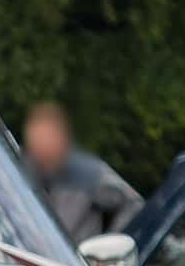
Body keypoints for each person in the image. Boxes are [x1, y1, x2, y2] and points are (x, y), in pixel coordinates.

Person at [19, 101, 139, 242]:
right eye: (35, 141)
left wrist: (106, 247)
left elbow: (133, 204)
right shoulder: (21, 169)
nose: (40, 148)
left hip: (71, 260)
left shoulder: (89, 174)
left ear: (61, 137)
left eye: (46, 139)